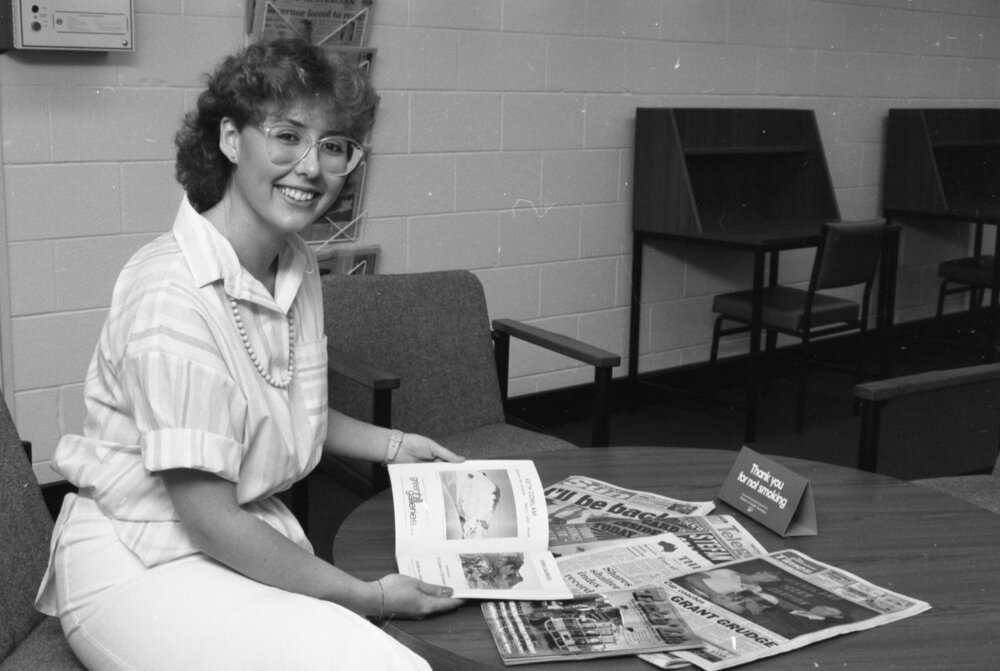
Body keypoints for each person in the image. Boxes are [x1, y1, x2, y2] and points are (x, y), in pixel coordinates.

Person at [35, 38, 463, 671]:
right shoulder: (171, 292)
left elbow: (285, 401)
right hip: (139, 561)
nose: (311, 167)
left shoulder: (295, 264)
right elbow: (207, 519)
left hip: (231, 539)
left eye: (334, 145)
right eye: (287, 135)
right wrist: (369, 598)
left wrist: (396, 446)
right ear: (231, 139)